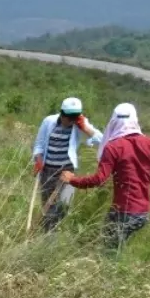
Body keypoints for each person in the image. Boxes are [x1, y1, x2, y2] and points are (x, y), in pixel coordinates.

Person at [62, 103, 150, 250]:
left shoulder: (113, 147)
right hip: (143, 212)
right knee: (114, 247)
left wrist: (72, 179)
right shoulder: (149, 143)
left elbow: (98, 179)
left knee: (109, 250)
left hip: (124, 211)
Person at [32, 97, 104, 231]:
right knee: (48, 208)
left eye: (75, 117)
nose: (71, 121)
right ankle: (47, 238)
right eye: (68, 117)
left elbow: (103, 141)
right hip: (48, 171)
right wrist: (38, 158)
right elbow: (39, 145)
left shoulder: (80, 125)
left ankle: (53, 234)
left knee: (64, 207)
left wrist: (86, 128)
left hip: (67, 173)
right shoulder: (49, 121)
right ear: (62, 114)